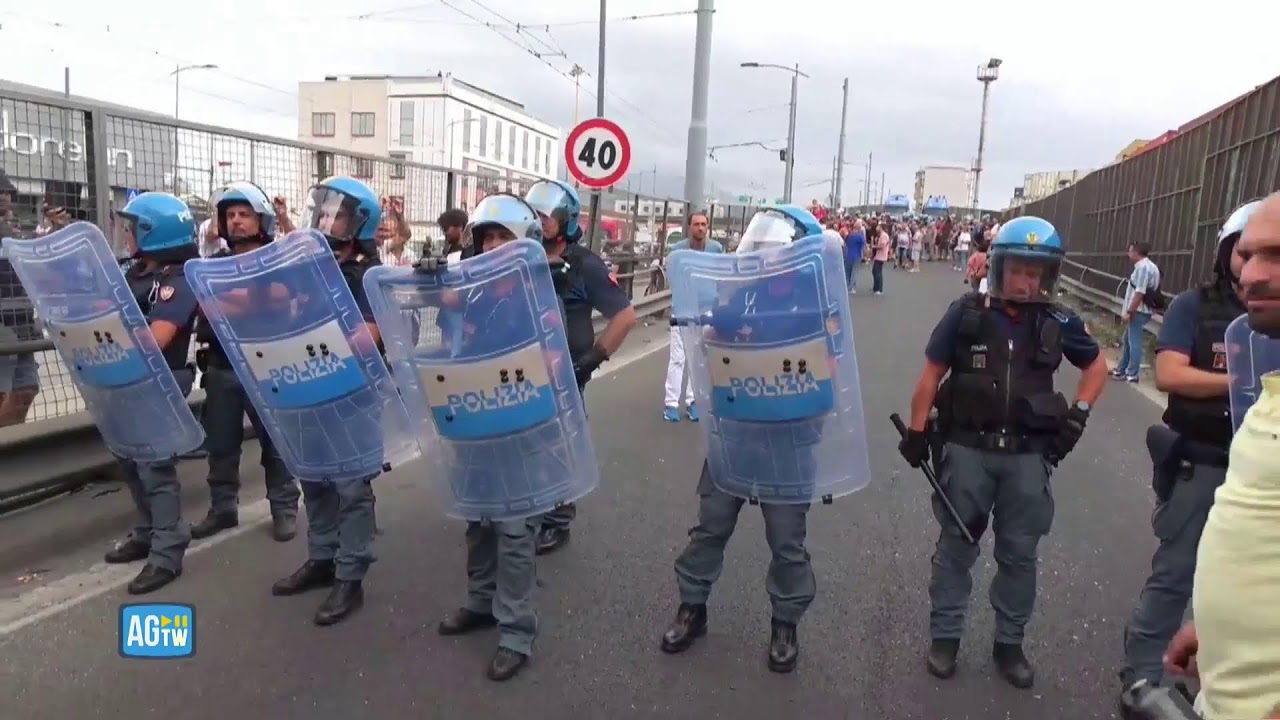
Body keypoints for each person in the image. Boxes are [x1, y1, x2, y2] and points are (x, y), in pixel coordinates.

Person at [899, 215, 1108, 689]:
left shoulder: (1059, 322)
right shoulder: (967, 313)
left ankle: (1009, 644)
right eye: (1018, 270)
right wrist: (916, 432)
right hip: (968, 452)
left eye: (1036, 273)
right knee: (956, 548)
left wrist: (1078, 412)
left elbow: (1097, 367)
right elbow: (931, 375)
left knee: (1020, 555)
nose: (1027, 280)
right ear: (998, 268)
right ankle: (945, 637)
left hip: (1028, 460)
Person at [659, 205, 826, 675]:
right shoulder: (742, 296)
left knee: (786, 541)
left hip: (788, 441)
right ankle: (692, 607)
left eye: (778, 252)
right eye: (764, 250)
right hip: (737, 433)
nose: (768, 259)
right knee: (710, 526)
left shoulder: (816, 302)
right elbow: (713, 339)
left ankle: (785, 622)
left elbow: (830, 369)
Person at [1165, 190, 1280, 720]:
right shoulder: (1269, 390)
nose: (1252, 274)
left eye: (1277, 256)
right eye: (1247, 253)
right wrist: (1216, 630)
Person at [433, 194, 552, 682]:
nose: (495, 245)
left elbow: (552, 359)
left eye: (505, 236)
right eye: (488, 237)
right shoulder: (478, 291)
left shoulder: (538, 295)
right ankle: (481, 602)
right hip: (478, 417)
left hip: (520, 423)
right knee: (478, 520)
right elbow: (460, 340)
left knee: (516, 530)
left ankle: (516, 631)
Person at [269, 175, 385, 626]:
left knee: (351, 486)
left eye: (335, 211)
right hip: (306, 384)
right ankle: (322, 557)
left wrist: (317, 342)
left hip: (350, 389)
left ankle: (350, 575)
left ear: (359, 223)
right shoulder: (305, 269)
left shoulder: (364, 273)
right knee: (313, 478)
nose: (324, 217)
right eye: (321, 209)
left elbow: (373, 332)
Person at [523, 179, 637, 555]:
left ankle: (557, 519)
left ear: (565, 220)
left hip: (565, 371)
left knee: (559, 444)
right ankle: (525, 509)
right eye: (534, 214)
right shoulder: (520, 257)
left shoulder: (584, 264)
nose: (540, 222)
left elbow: (624, 316)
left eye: (546, 216)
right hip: (521, 369)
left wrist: (591, 361)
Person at [100, 192, 203, 594]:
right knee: (129, 461)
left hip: (161, 381)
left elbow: (157, 337)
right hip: (126, 380)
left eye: (133, 228)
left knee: (154, 470)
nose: (127, 235)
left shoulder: (176, 280)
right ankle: (146, 532)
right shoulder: (137, 273)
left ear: (153, 233)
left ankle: (167, 550)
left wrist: (108, 332)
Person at [188, 182, 300, 543]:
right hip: (221, 366)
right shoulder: (214, 263)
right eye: (230, 215)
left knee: (276, 442)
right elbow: (205, 305)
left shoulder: (277, 259)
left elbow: (278, 300)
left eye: (244, 214)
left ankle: (283, 507)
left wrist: (228, 297)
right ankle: (222, 509)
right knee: (220, 443)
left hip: (267, 366)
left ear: (260, 219)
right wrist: (248, 298)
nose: (236, 221)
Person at [663, 211, 723, 422]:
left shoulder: (716, 249)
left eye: (703, 224)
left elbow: (720, 275)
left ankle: (693, 401)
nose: (700, 228)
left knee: (698, 359)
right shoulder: (678, 251)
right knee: (677, 358)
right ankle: (671, 404)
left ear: (708, 227)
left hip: (706, 310)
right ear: (688, 227)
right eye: (696, 224)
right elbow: (672, 275)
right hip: (682, 310)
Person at [0, 172, 42, 427]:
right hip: (2, 325)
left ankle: (10, 448)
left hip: (23, 323)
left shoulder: (15, 235)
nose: (4, 196)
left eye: (6, 192)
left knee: (26, 390)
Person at [1113, 242, 1162, 382]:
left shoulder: (1142, 268)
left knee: (1134, 341)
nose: (1128, 254)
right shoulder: (1152, 267)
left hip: (1139, 309)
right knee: (1127, 340)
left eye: (1130, 251)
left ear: (1136, 252)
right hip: (1144, 309)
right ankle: (1122, 369)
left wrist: (1130, 311)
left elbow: (1140, 292)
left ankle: (1132, 373)